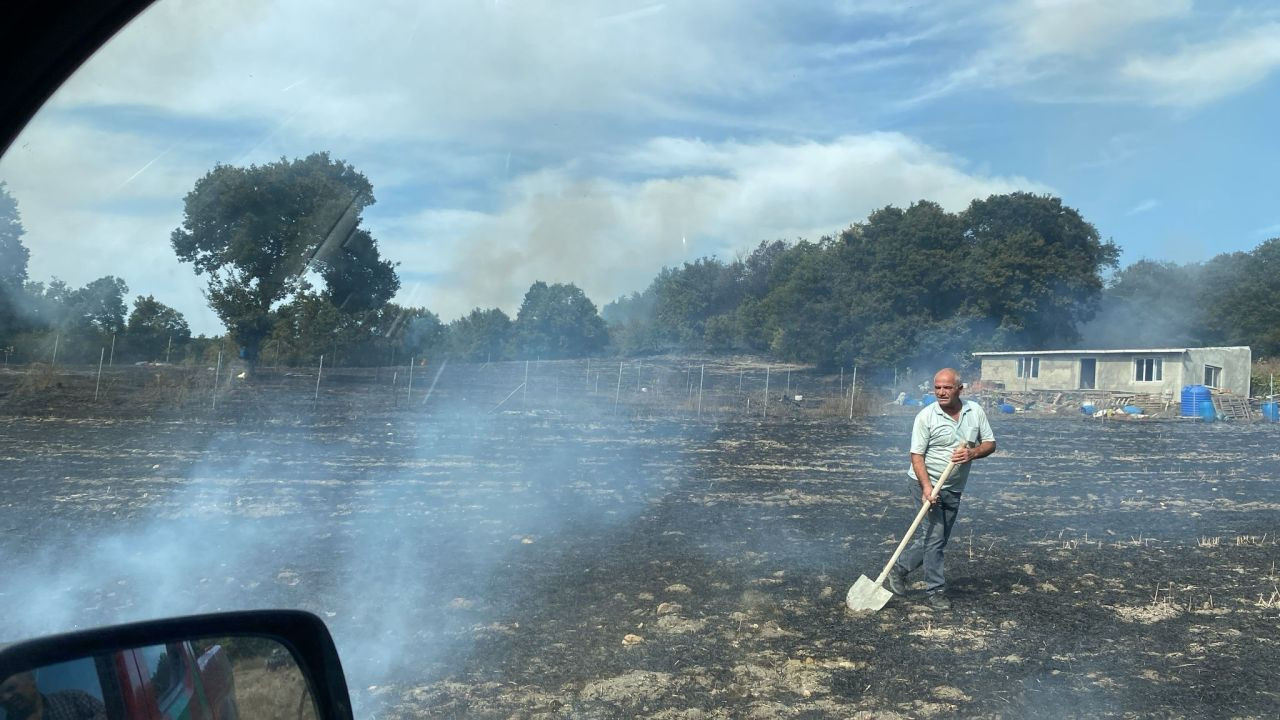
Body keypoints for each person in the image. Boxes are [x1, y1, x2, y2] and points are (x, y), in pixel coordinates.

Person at [888, 368, 996, 610]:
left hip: (954, 486)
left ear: (960, 389)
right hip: (923, 483)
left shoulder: (974, 411)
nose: (941, 392)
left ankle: (900, 569)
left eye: (947, 387)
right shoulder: (926, 417)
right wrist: (927, 487)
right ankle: (935, 591)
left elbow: (990, 443)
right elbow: (916, 456)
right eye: (937, 387)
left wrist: (972, 453)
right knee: (935, 537)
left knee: (936, 539)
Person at [0, 671, 106, 720]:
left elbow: (111, 713)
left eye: (11, 688)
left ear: (31, 679)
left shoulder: (73, 699)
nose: (5, 698)